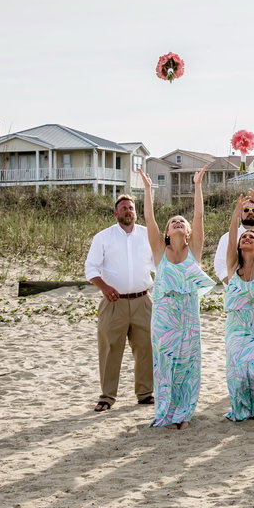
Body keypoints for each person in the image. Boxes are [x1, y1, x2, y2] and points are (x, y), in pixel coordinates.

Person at [137, 167, 214, 429]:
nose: (178, 222)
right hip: (164, 317)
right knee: (165, 364)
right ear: (168, 232)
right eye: (173, 222)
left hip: (188, 317)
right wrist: (148, 190)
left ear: (189, 232)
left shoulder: (194, 250)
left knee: (187, 365)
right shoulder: (160, 251)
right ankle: (166, 412)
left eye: (182, 221)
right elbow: (149, 221)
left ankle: (183, 413)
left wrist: (197, 185)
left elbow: (200, 215)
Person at [85, 194, 153, 412]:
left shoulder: (147, 234)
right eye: (123, 208)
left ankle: (145, 393)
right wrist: (104, 287)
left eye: (131, 208)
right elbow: (91, 268)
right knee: (110, 349)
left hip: (142, 300)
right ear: (116, 213)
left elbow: (159, 263)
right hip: (114, 302)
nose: (128, 211)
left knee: (145, 348)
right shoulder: (103, 237)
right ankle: (107, 397)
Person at [220, 193, 254, 421]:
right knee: (238, 369)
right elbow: (233, 233)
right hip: (237, 324)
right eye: (245, 238)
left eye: (251, 238)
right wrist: (236, 211)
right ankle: (241, 409)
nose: (247, 238)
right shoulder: (233, 266)